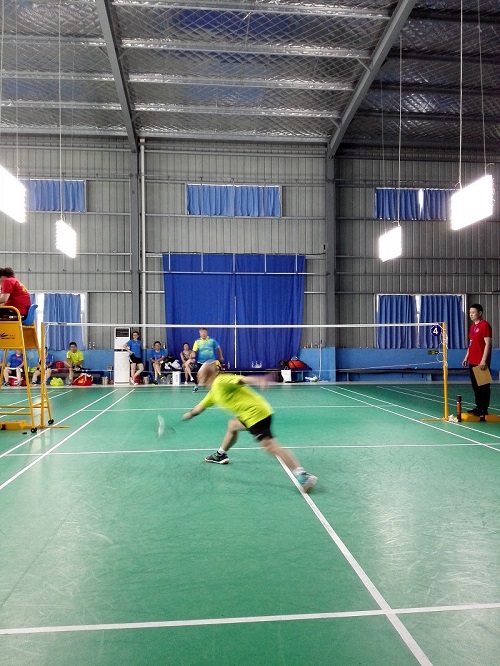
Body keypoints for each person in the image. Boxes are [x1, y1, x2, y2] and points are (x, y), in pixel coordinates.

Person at [183, 362, 317, 492]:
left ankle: (303, 475)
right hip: (251, 414)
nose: (198, 377)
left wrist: (258, 380)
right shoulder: (213, 393)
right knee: (232, 425)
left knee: (270, 447)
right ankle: (220, 455)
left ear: (205, 376)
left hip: (255, 415)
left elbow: (242, 380)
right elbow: (200, 407)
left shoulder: (221, 381)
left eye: (200, 375)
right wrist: (190, 414)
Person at [462, 303, 492, 417]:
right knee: (476, 387)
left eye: (473, 312)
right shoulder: (473, 327)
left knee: (483, 386)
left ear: (480, 313)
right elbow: (471, 344)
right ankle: (478, 407)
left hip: (481, 362)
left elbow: (488, 344)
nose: (471, 314)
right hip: (472, 361)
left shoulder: (485, 325)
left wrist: (484, 360)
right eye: (470, 312)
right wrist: (466, 357)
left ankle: (484, 409)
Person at [191, 327, 223, 393]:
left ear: (206, 333)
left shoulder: (212, 340)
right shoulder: (197, 341)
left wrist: (221, 356)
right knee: (196, 374)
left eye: (204, 332)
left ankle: (214, 387)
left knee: (213, 375)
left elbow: (218, 348)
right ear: (199, 333)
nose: (203, 333)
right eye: (201, 332)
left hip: (211, 362)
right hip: (201, 361)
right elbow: (194, 351)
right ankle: (196, 386)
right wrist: (193, 357)